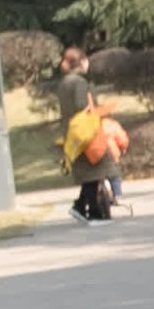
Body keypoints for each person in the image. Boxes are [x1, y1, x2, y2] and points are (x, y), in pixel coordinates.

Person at [52, 48, 123, 223]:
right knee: (96, 171)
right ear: (83, 62)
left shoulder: (64, 83)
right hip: (87, 133)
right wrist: (99, 111)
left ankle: (80, 207)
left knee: (90, 174)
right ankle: (94, 213)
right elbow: (81, 106)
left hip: (73, 134)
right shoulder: (79, 82)